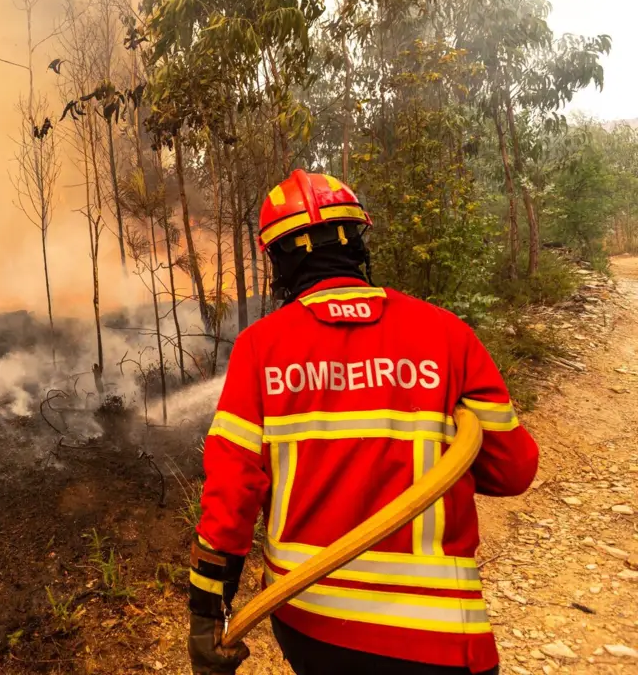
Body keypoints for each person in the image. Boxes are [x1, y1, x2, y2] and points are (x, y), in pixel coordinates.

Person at [187, 170, 540, 675]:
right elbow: (514, 471)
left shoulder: (261, 349)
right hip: (439, 634)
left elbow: (231, 495)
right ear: (357, 243)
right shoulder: (446, 335)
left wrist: (206, 614)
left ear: (280, 260)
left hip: (311, 619)